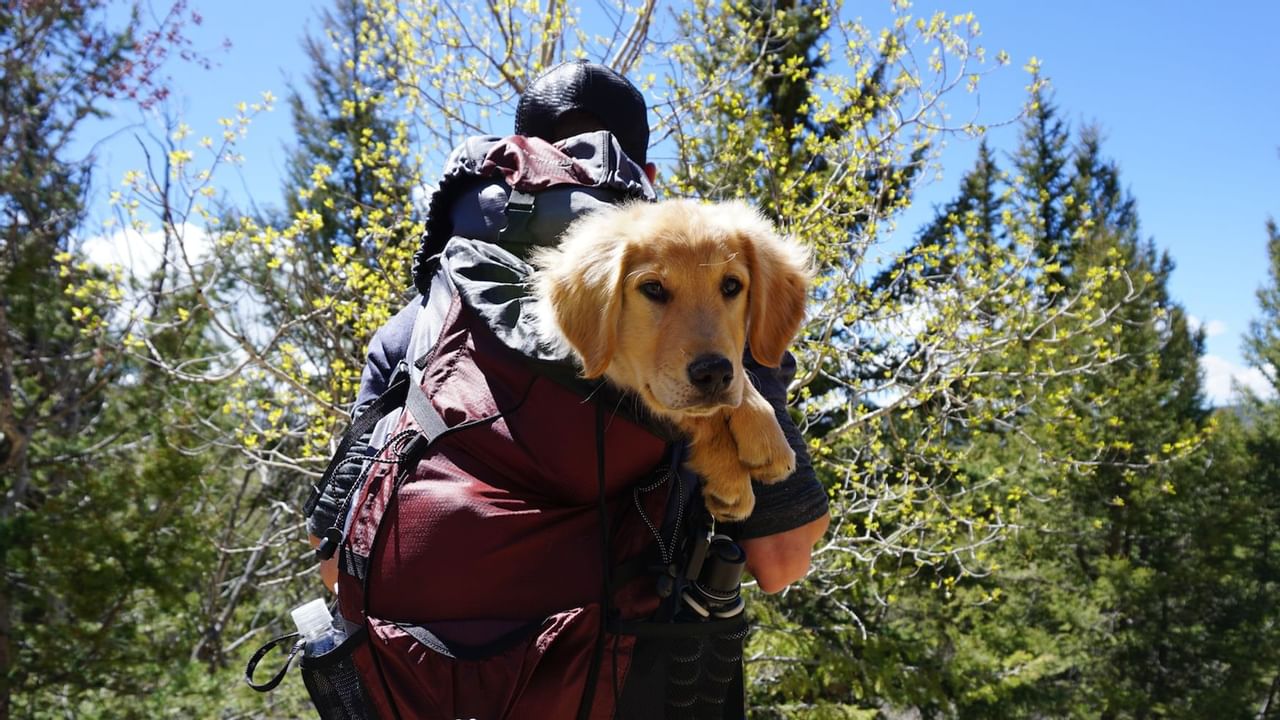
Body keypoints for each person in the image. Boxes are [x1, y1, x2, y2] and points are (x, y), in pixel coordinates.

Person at [305, 60, 828, 596]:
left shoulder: (422, 322)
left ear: (520, 160)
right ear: (646, 178)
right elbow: (781, 559)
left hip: (420, 663)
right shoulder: (717, 319)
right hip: (620, 666)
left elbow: (333, 567)